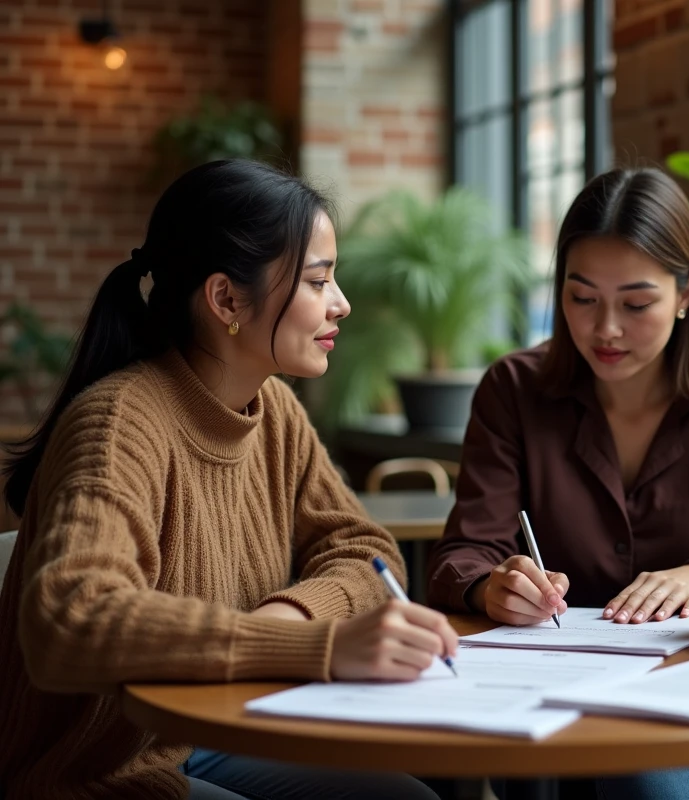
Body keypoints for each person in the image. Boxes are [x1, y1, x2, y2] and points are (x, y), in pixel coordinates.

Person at [0, 160, 458, 800]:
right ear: (226, 299)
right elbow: (69, 621)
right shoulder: (119, 424)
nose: (341, 303)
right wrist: (316, 647)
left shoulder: (274, 413)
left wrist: (291, 617)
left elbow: (368, 551)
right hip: (100, 770)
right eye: (318, 280)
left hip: (222, 733)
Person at [426, 167, 689, 799]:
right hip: (537, 686)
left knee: (641, 780)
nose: (605, 329)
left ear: (688, 292)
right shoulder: (513, 390)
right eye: (582, 299)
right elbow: (462, 554)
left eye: (636, 304)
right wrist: (490, 589)